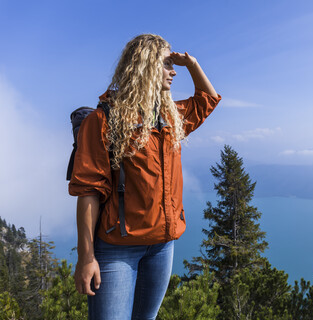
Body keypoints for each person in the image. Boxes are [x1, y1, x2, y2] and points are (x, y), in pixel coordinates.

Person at [69, 34, 221, 320]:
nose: (174, 71)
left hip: (162, 247)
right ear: (144, 67)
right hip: (116, 250)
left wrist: (193, 64)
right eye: (166, 64)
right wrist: (86, 257)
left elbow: (207, 100)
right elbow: (88, 191)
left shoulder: (169, 117)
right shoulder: (103, 121)